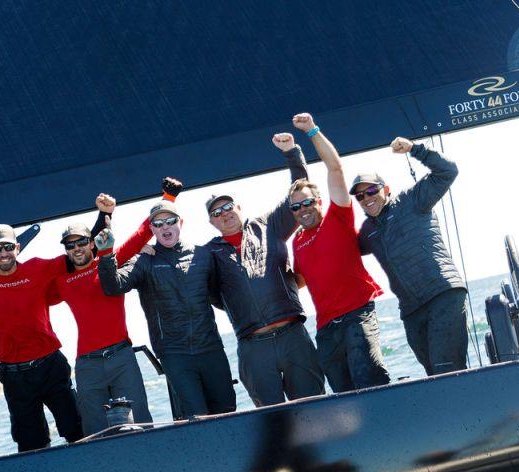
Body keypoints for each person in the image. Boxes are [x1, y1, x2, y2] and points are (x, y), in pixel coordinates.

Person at [0, 202, 115, 451]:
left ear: (17, 247)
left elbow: (80, 249)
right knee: (31, 445)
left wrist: (104, 214)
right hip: (15, 377)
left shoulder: (38, 268)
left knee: (78, 431)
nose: (4, 253)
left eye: (8, 246)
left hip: (50, 366)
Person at [48, 179, 182, 435]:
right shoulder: (60, 280)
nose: (76, 248)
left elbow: (143, 232)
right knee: (95, 432)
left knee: (141, 424)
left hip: (121, 357)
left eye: (81, 242)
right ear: (66, 250)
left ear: (91, 242)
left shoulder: (110, 262)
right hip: (87, 364)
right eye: (70, 245)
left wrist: (169, 197)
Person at [276, 113, 390, 392]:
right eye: (296, 207)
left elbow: (335, 169)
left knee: (370, 382)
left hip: (357, 315)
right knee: (343, 395)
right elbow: (300, 281)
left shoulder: (337, 218)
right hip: (326, 328)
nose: (302, 210)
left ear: (319, 202)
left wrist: (312, 131)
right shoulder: (297, 241)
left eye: (307, 203)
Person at [205, 142, 324, 407]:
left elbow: (300, 188)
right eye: (216, 212)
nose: (224, 214)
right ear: (211, 222)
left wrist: (292, 153)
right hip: (252, 346)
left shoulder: (269, 225)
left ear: (239, 207)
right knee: (274, 422)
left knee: (315, 408)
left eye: (228, 207)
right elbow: (213, 296)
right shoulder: (208, 254)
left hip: (293, 336)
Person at [98, 201, 236, 418]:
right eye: (158, 223)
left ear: (180, 223)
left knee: (228, 411)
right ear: (151, 229)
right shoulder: (144, 261)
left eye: (170, 221)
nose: (165, 227)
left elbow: (223, 296)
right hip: (175, 354)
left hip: (211, 349)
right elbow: (112, 286)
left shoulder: (202, 255)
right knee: (198, 418)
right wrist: (106, 255)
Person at [352, 136, 467, 376]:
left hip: (442, 295)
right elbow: (343, 250)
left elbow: (448, 171)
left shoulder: (412, 201)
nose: (367, 198)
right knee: (433, 376)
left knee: (448, 371)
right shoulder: (367, 231)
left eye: (371, 190)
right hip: (411, 311)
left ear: (385, 189)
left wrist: (416, 149)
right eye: (360, 196)